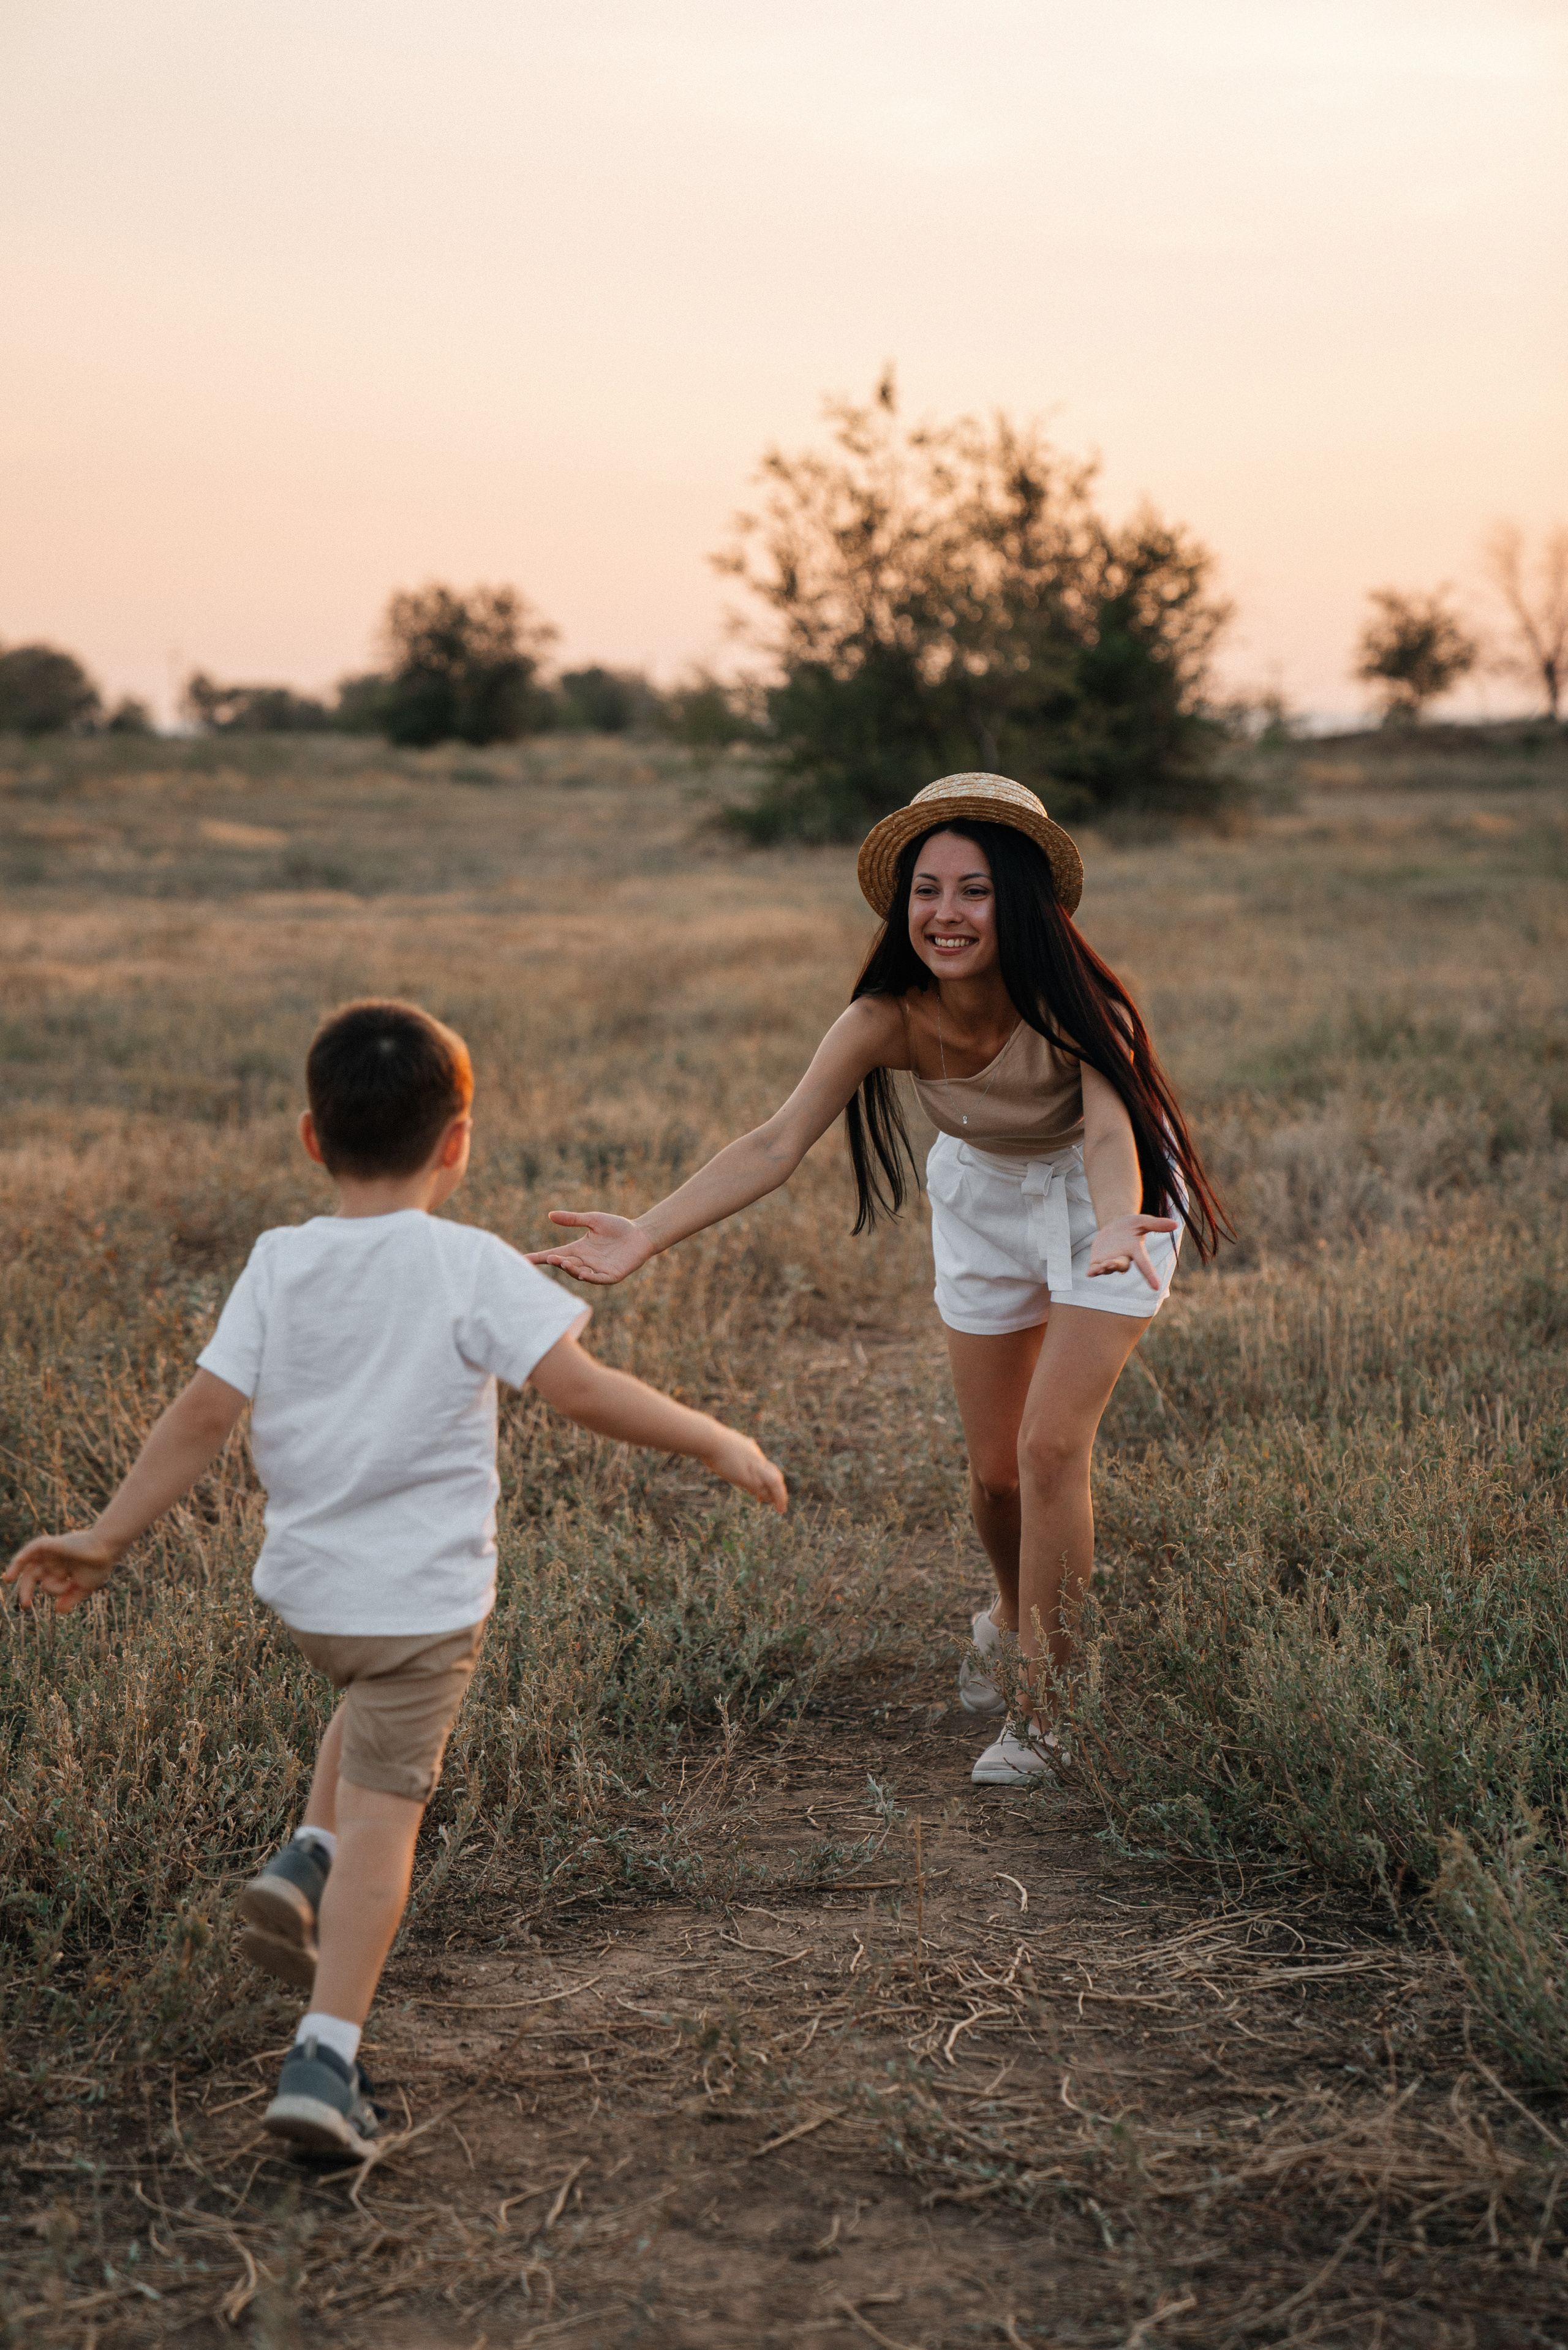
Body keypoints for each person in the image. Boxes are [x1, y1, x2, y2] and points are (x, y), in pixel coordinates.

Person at [5, 999, 786, 2160]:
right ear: (458, 1142)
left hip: (310, 1595)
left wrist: (108, 1535)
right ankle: (325, 2056)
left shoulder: (279, 1260)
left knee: (365, 1707)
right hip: (420, 1603)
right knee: (388, 1822)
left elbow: (203, 1415)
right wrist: (716, 1438)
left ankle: (303, 1857)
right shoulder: (468, 1263)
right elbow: (579, 1389)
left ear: (311, 1138)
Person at [529, 774, 1227, 1786]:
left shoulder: (1082, 1007)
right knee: (995, 1472)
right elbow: (774, 1142)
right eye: (927, 890)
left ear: (1022, 900)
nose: (947, 913)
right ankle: (1008, 1618)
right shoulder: (887, 1016)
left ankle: (1050, 1712)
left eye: (976, 890)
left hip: (1107, 1206)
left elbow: (1114, 1128)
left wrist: (1120, 1214)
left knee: (1049, 1446)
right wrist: (648, 1231)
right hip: (982, 1198)